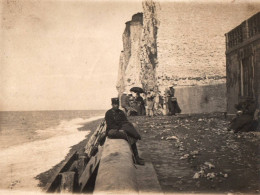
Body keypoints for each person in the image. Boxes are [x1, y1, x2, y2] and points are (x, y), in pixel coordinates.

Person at [105, 98, 144, 165]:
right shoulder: (108, 113)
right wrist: (119, 128)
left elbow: (125, 121)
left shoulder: (121, 112)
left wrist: (124, 128)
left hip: (121, 128)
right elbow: (110, 125)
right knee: (126, 135)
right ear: (112, 105)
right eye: (114, 104)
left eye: (117, 104)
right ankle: (135, 158)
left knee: (130, 135)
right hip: (112, 131)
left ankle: (136, 157)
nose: (116, 106)